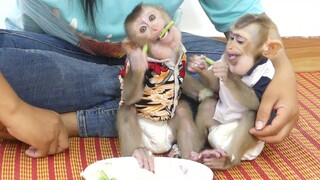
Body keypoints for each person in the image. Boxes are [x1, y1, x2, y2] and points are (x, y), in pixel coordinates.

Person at [0, 0, 299, 158]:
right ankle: (157, 96)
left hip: (159, 58)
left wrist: (283, 71)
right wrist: (14, 111)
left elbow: (249, 22)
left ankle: (70, 119)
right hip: (52, 50)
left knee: (251, 78)